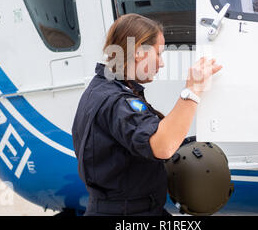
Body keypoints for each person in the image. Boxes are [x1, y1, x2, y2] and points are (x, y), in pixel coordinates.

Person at [72, 13, 222, 216]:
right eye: (158, 53)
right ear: (139, 52)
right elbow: (162, 146)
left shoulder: (101, 88)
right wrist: (192, 91)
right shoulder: (117, 101)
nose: (161, 63)